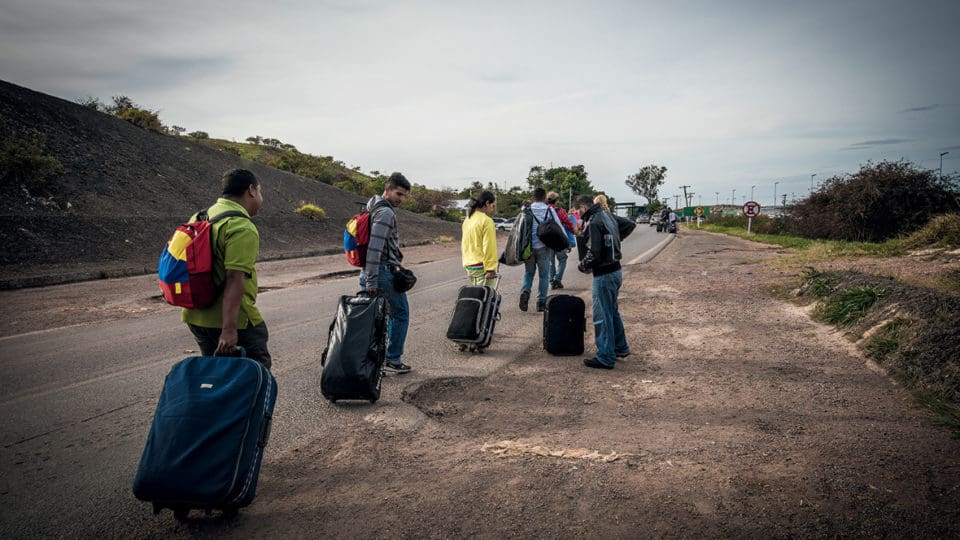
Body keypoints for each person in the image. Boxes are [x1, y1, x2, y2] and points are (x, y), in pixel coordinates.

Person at [182, 168, 272, 369]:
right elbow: (234, 278)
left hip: (196, 316)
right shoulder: (240, 226)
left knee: (215, 377)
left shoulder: (199, 217)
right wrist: (229, 330)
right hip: (233, 322)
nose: (260, 197)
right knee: (254, 376)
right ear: (251, 190)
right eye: (260, 191)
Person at [360, 172, 413, 373]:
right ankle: (392, 359)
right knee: (400, 314)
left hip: (370, 271)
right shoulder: (386, 213)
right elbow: (375, 248)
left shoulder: (372, 207)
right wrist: (372, 281)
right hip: (380, 273)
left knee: (376, 318)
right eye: (398, 194)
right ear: (388, 189)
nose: (401, 199)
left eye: (404, 196)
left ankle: (374, 360)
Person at [573, 194, 630, 370]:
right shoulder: (607, 215)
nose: (578, 214)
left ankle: (605, 356)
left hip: (604, 275)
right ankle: (620, 347)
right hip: (615, 270)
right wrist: (613, 244)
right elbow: (630, 224)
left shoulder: (595, 221)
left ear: (583, 207)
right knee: (612, 311)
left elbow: (594, 252)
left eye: (578, 211)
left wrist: (583, 266)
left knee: (602, 316)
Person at [519, 188, 560, 312]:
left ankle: (525, 291)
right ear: (544, 198)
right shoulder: (549, 210)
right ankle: (541, 302)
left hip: (529, 248)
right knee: (543, 275)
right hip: (544, 247)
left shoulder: (526, 209)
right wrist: (565, 243)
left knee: (528, 273)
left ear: (533, 197)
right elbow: (558, 226)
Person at [461, 190, 498, 286]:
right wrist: (490, 268)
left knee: (476, 296)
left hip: (469, 264)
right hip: (482, 266)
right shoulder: (487, 221)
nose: (492, 209)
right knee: (487, 298)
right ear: (487, 203)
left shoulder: (468, 220)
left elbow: (465, 243)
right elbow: (489, 246)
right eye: (492, 206)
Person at [545, 191, 576, 290]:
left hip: (548, 240)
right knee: (562, 259)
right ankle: (557, 279)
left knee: (550, 261)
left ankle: (552, 281)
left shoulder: (544, 210)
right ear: (556, 201)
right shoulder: (560, 211)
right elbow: (568, 223)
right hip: (559, 239)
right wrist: (573, 232)